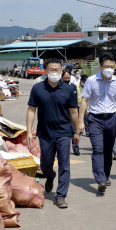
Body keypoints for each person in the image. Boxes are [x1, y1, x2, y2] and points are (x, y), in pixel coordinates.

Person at [26, 59, 80, 209]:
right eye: (52, 69)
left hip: (63, 132)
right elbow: (31, 110)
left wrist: (76, 130)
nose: (55, 72)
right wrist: (29, 131)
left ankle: (61, 195)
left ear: (62, 71)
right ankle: (50, 177)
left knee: (64, 164)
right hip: (45, 133)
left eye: (57, 70)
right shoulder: (37, 88)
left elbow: (74, 111)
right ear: (45, 71)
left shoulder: (69, 89)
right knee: (45, 165)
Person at [79, 53, 116, 194]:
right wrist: (81, 121)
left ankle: (106, 175)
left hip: (111, 118)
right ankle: (100, 179)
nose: (109, 69)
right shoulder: (92, 81)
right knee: (98, 149)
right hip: (95, 119)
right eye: (106, 66)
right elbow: (84, 101)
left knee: (108, 150)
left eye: (112, 67)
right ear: (100, 66)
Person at [73, 72, 88, 156]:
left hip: (85, 108)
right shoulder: (75, 86)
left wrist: (88, 109)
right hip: (75, 108)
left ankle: (87, 131)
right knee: (75, 129)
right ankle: (76, 148)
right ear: (81, 80)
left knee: (85, 122)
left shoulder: (88, 86)